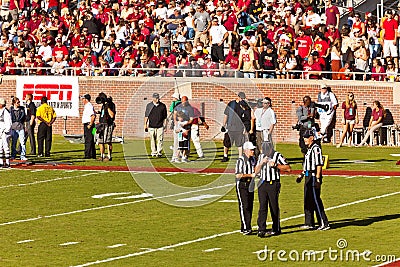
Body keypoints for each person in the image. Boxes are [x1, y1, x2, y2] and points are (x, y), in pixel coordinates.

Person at [255, 141, 291, 237]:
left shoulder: (277, 155)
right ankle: (261, 229)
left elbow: (288, 168)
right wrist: (261, 163)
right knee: (262, 206)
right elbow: (255, 171)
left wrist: (276, 165)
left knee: (273, 206)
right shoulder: (261, 156)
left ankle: (276, 228)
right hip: (262, 183)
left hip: (273, 183)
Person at [296, 130, 330, 231]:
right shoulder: (309, 149)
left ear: (312, 138)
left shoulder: (316, 149)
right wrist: (301, 175)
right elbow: (307, 166)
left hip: (314, 175)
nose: (305, 139)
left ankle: (324, 222)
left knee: (316, 200)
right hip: (308, 175)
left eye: (307, 137)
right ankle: (309, 222)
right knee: (307, 200)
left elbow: (319, 164)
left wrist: (318, 178)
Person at [234, 141, 257, 235]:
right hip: (242, 185)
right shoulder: (241, 160)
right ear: (246, 150)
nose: (253, 151)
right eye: (251, 150)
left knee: (250, 206)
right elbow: (238, 175)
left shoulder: (253, 159)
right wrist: (250, 175)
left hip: (250, 185)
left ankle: (248, 225)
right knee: (244, 206)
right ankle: (245, 227)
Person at [221, 92, 246, 162]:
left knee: (240, 143)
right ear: (238, 97)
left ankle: (240, 157)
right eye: (241, 98)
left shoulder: (244, 106)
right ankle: (225, 156)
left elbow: (246, 117)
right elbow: (226, 115)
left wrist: (245, 128)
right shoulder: (231, 104)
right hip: (230, 127)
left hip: (239, 128)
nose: (242, 100)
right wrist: (223, 125)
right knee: (226, 142)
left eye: (243, 98)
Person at [144, 93, 168, 157]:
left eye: (158, 98)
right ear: (153, 98)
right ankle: (154, 152)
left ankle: (159, 152)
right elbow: (146, 116)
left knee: (160, 139)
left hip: (160, 126)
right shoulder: (149, 106)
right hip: (151, 126)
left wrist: (165, 126)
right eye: (156, 98)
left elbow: (165, 117)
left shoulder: (163, 106)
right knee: (152, 139)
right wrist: (145, 125)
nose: (157, 99)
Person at [172, 96, 194, 162]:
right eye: (182, 101)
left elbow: (191, 119)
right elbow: (175, 114)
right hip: (178, 127)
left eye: (184, 101)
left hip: (185, 127)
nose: (183, 103)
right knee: (177, 143)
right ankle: (175, 157)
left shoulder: (190, 108)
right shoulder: (178, 106)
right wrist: (176, 122)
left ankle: (185, 157)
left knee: (186, 144)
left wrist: (186, 124)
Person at [96, 92, 116, 161]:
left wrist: (107, 107)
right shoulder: (103, 105)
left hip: (108, 124)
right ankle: (102, 155)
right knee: (100, 141)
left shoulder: (111, 105)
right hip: (101, 124)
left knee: (108, 141)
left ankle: (109, 156)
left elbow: (112, 115)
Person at [81, 94, 96, 159]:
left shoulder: (88, 106)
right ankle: (93, 154)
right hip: (90, 125)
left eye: (83, 99)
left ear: (86, 99)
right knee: (91, 139)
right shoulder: (88, 106)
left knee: (88, 139)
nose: (82, 100)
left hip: (89, 125)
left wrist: (90, 124)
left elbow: (93, 116)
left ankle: (87, 155)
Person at [0, 98, 12, 168]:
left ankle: (7, 163)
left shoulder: (6, 112)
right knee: (0, 147)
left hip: (4, 132)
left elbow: (8, 123)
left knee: (6, 147)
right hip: (0, 131)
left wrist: (6, 131)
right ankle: (1, 162)